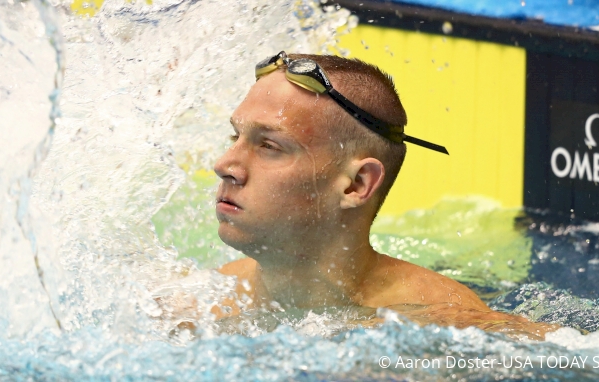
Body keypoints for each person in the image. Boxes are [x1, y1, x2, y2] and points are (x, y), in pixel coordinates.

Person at [210, 52, 555, 339]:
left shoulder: (443, 327)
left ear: (356, 184)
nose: (224, 165)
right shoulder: (210, 298)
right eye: (234, 138)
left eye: (269, 146)